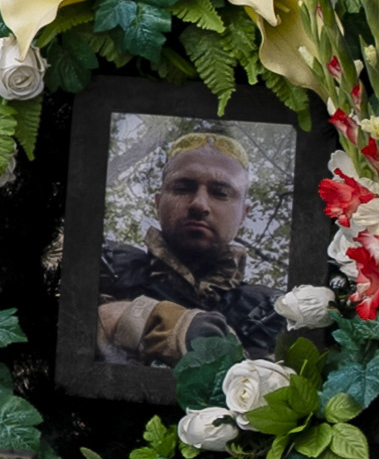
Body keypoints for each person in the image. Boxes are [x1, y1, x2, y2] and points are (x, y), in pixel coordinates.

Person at [96, 125, 284, 364]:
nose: (199, 204)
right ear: (158, 202)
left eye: (221, 193)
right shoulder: (101, 264)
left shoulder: (275, 310)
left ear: (243, 214)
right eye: (183, 188)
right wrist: (154, 322)